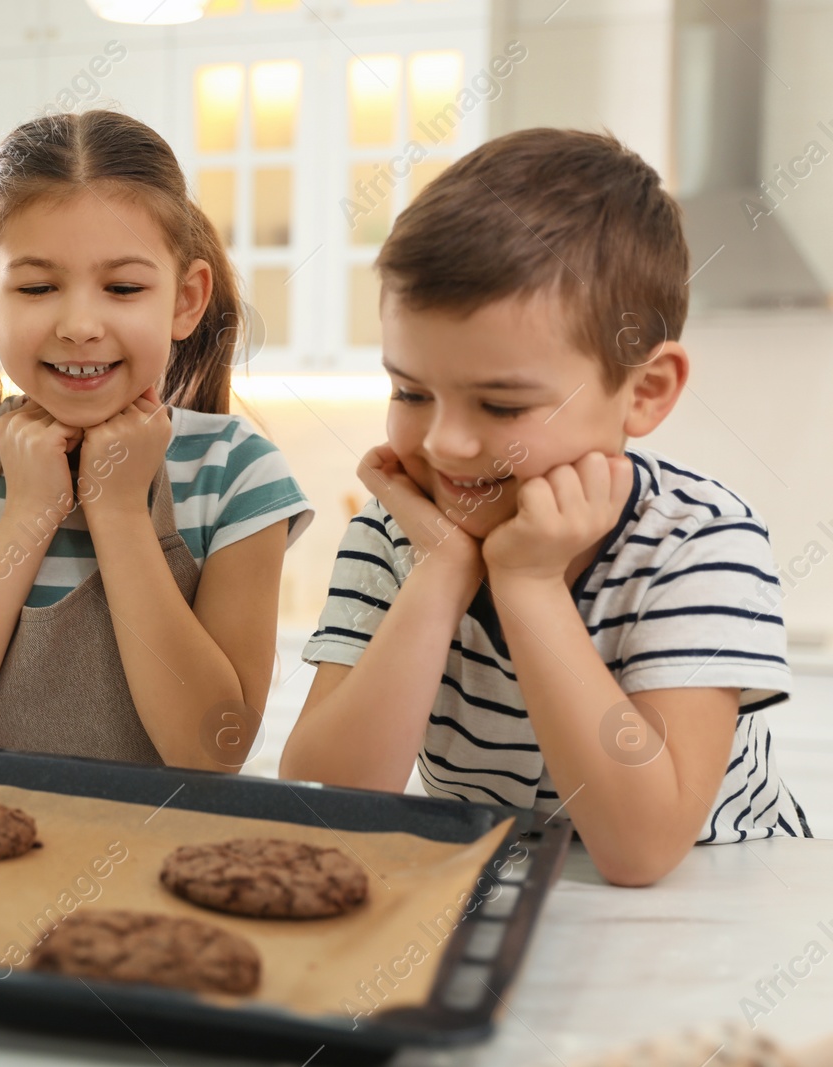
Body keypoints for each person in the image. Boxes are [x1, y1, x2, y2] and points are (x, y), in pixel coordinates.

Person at [279, 128, 807, 886]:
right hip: (500, 895)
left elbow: (642, 849)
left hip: (717, 909)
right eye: (409, 391)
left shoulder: (698, 542)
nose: (446, 442)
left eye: (501, 404)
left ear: (646, 391)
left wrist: (527, 584)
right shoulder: (397, 533)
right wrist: (440, 574)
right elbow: (326, 807)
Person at [0, 109, 314, 770]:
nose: (80, 324)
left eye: (123, 287)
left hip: (156, 863)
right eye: (38, 286)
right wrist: (28, 514)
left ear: (186, 299)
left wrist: (120, 510)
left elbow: (212, 748)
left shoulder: (237, 472)